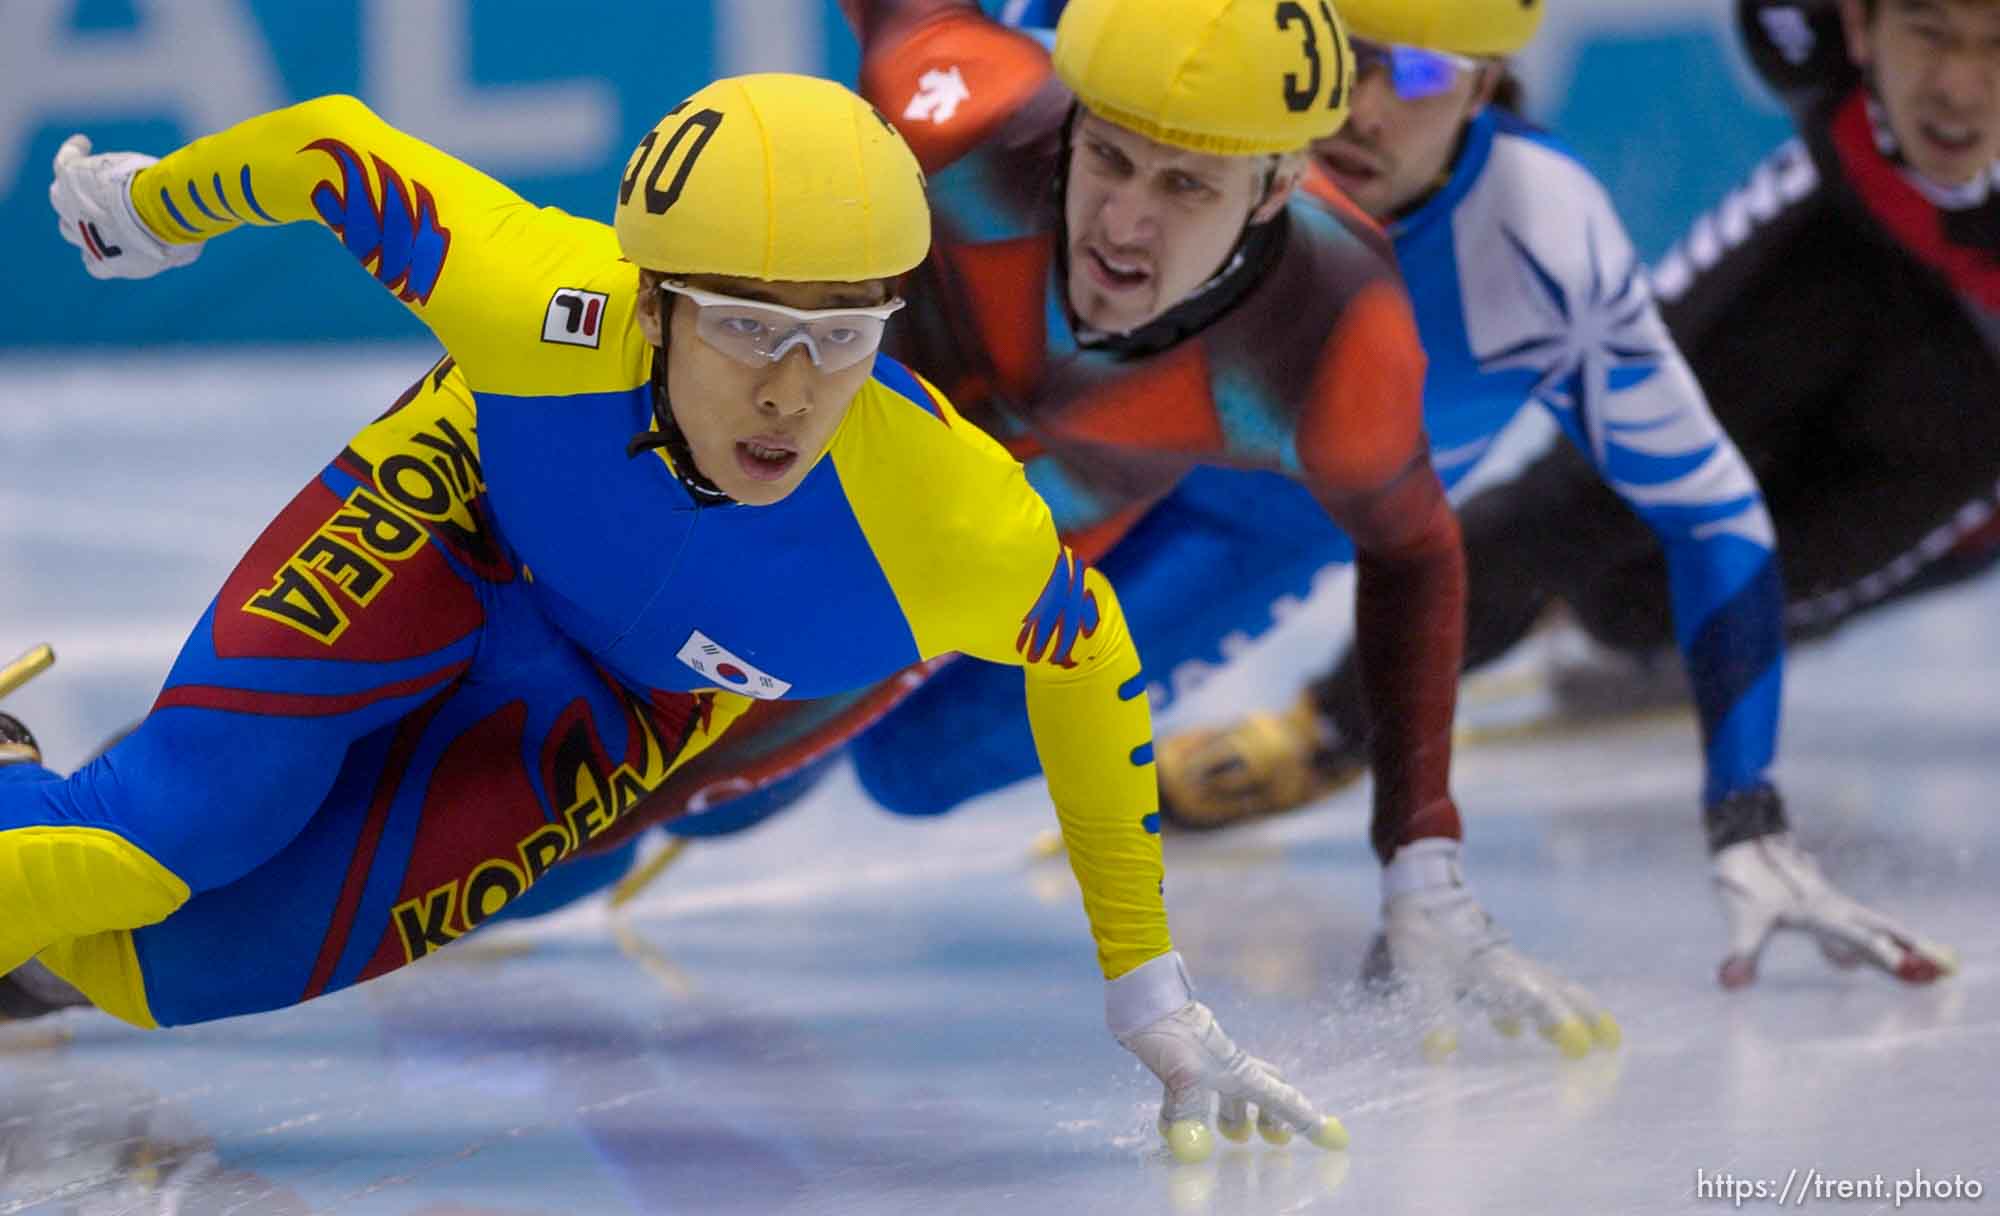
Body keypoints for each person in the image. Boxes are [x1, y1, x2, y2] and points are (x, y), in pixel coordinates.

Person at [8, 71, 1343, 1163]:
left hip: (634, 690)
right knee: (167, 835)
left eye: (843, 337)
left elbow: (1092, 666)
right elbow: (329, 149)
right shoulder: (540, 300)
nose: (792, 393)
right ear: (650, 304)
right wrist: (146, 211)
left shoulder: (947, 523)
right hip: (457, 511)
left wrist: (1149, 992)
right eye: (748, 329)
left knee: (163, 971)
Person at [564, 0, 1618, 1062]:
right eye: (1106, 159)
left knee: (710, 802)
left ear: (1278, 187)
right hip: (783, 462)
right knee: (575, 735)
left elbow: (1412, 546)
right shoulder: (969, 105)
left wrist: (1420, 852)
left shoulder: (1331, 324)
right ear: (1069, 120)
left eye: (1186, 186)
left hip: (920, 577)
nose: (1121, 223)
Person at [1156, 0, 1973, 987]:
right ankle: (1325, 728)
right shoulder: (1792, 31)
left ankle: (1623, 634)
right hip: (1832, 244)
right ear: (1854, 28)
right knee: (1586, 494)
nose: (1958, 88)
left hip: (1971, 395)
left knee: (1678, 603)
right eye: (1929, 35)